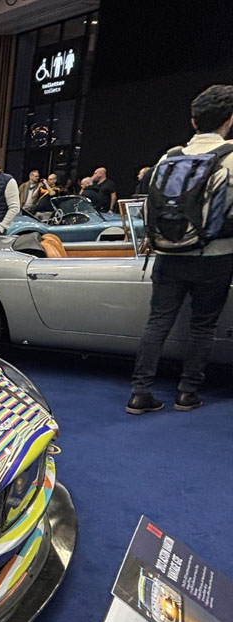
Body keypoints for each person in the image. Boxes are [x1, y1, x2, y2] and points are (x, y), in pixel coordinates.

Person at [127, 84, 233, 415]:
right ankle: (187, 392)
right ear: (230, 120)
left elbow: (149, 204)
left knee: (157, 322)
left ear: (193, 121)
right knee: (202, 326)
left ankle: (140, 392)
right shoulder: (230, 159)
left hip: (167, 254)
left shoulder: (168, 157)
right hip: (215, 255)